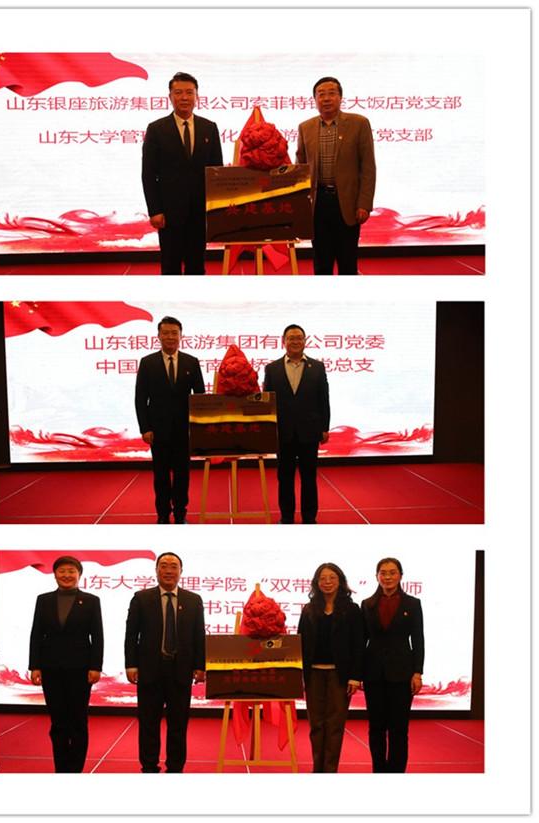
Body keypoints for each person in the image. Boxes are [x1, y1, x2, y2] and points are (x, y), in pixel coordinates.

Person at [124, 552, 206, 773]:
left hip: (181, 670)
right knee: (148, 723)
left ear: (181, 571)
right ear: (156, 570)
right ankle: (149, 766)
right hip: (150, 670)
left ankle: (175, 768)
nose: (168, 570)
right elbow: (131, 635)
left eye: (173, 566)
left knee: (178, 724)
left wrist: (200, 666)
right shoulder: (141, 598)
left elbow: (199, 635)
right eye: (164, 565)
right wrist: (131, 664)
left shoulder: (193, 600)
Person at [142, 71, 223, 275]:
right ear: (170, 96)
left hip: (199, 211)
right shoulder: (156, 129)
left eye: (189, 92)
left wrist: (216, 209)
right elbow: (148, 174)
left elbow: (216, 171)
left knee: (196, 265)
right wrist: (155, 210)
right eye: (178, 92)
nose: (184, 97)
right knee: (170, 265)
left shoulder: (209, 128)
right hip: (169, 213)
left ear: (197, 96)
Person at [28, 555, 103, 773]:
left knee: (78, 721)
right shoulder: (43, 600)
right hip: (50, 669)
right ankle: (61, 769)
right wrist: (35, 666)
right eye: (62, 571)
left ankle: (75, 769)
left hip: (81, 669)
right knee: (58, 722)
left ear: (79, 575)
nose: (66, 575)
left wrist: (95, 666)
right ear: (55, 575)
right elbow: (36, 634)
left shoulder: (91, 601)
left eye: (71, 571)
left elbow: (97, 636)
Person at [296, 76, 376, 275]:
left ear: (340, 97)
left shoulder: (359, 124)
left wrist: (364, 204)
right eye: (321, 94)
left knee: (347, 263)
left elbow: (368, 167)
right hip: (318, 203)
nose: (326, 98)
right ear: (315, 100)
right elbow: (300, 168)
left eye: (331, 93)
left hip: (347, 203)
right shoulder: (305, 127)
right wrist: (299, 207)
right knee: (321, 263)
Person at [135, 316, 205, 523]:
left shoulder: (191, 362)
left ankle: (181, 514)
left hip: (184, 431)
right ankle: (163, 515)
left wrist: (198, 429)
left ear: (181, 336)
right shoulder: (148, 363)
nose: (170, 337)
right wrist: (145, 428)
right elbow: (140, 398)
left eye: (174, 333)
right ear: (158, 336)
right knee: (161, 476)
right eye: (165, 333)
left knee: (183, 476)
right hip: (158, 431)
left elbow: (199, 398)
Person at [298, 563, 363, 772]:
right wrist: (299, 674)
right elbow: (300, 643)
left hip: (340, 675)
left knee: (335, 725)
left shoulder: (352, 610)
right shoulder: (309, 609)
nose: (327, 582)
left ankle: (330, 770)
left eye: (332, 578)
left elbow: (358, 644)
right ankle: (317, 769)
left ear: (340, 581)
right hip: (313, 674)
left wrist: (355, 676)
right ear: (316, 583)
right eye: (323, 578)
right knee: (316, 725)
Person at [361, 557, 425, 772]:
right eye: (383, 573)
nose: (387, 577)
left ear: (400, 576)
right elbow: (361, 641)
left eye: (392, 572)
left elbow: (418, 639)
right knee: (376, 727)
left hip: (402, 673)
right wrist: (357, 673)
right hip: (373, 673)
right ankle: (378, 770)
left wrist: (417, 672)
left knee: (399, 728)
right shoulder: (367, 604)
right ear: (376, 576)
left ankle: (396, 772)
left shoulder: (412, 604)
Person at [263, 324, 330, 523]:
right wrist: (269, 429)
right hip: (283, 433)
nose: (295, 341)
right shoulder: (272, 368)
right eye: (291, 338)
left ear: (305, 341)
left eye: (299, 338)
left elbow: (323, 400)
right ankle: (286, 517)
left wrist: (324, 428)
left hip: (309, 432)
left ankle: (309, 518)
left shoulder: (317, 367)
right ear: (283, 341)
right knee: (285, 478)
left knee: (309, 478)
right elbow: (268, 402)